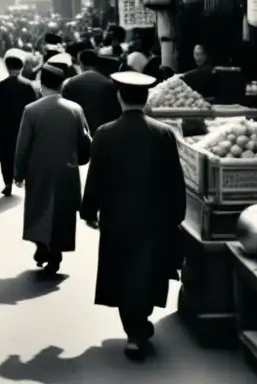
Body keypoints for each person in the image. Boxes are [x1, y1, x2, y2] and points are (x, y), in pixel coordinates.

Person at [80, 70, 186, 362]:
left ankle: (135, 330)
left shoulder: (105, 133)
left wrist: (89, 211)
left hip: (117, 218)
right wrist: (177, 214)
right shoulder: (163, 133)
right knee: (147, 272)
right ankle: (139, 328)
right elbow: (174, 180)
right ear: (146, 97)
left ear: (119, 97)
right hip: (154, 220)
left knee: (123, 272)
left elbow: (95, 177)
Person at [13, 61, 92, 275]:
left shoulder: (32, 110)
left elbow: (23, 145)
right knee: (62, 213)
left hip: (38, 171)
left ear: (41, 84)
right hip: (67, 170)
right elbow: (86, 141)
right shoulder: (75, 109)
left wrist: (18, 172)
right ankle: (55, 253)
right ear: (62, 85)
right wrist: (80, 159)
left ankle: (41, 246)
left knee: (39, 209)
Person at [0, 51, 38, 196]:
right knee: (26, 154)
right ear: (21, 68)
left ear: (7, 68)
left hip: (4, 128)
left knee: (5, 158)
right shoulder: (29, 86)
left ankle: (7, 184)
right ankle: (23, 180)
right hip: (24, 127)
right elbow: (35, 107)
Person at [61, 49, 121, 135]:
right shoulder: (109, 81)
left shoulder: (71, 83)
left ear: (81, 64)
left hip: (83, 132)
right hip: (108, 131)